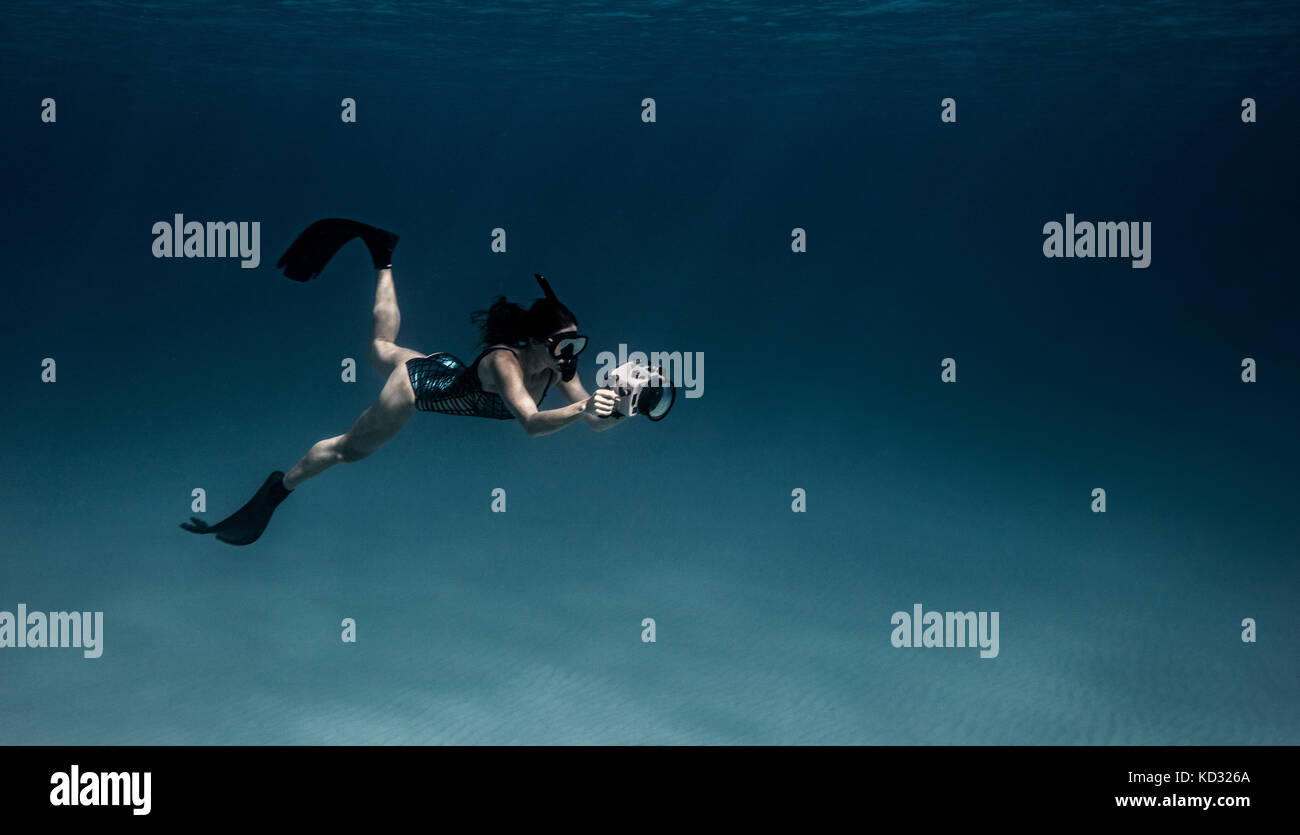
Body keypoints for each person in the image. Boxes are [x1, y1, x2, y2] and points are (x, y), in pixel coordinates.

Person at [181, 218, 623, 546]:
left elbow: (593, 420)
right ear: (534, 340)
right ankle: (276, 493)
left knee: (378, 346)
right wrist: (582, 408)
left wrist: (621, 406)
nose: (572, 355)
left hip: (445, 370)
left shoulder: (556, 364)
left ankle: (382, 255)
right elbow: (531, 421)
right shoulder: (506, 362)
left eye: (577, 344)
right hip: (417, 388)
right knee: (347, 451)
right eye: (564, 345)